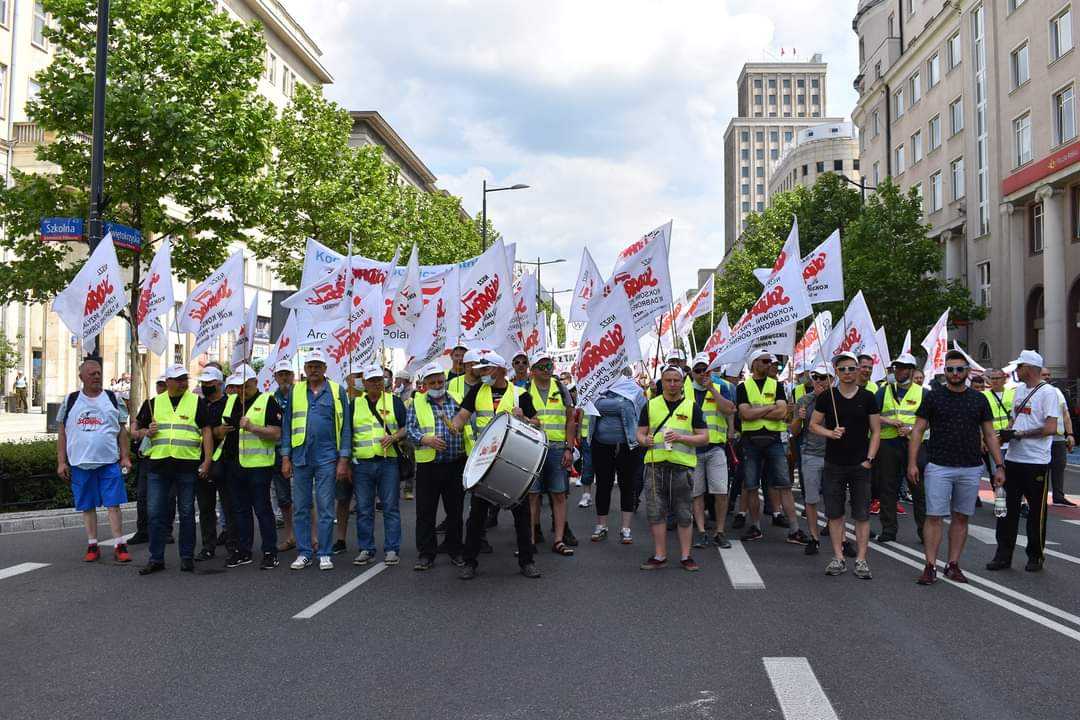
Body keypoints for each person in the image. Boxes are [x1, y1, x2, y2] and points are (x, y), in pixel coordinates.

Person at [906, 350, 1003, 584]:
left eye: (959, 369)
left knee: (961, 517)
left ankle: (953, 564)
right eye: (950, 369)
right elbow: (918, 430)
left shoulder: (979, 399)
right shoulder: (933, 397)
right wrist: (912, 463)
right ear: (945, 372)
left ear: (967, 372)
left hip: (971, 467)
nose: (955, 373)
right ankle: (930, 565)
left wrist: (999, 465)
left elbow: (989, 434)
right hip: (939, 466)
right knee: (934, 516)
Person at [452, 353, 539, 579]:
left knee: (521, 516)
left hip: (513, 462)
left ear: (500, 369)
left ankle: (527, 562)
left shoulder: (520, 395)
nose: (482, 374)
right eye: (481, 370)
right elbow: (462, 416)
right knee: (476, 516)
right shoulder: (476, 392)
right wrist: (455, 425)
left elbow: (537, 423)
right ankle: (470, 562)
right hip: (484, 463)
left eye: (487, 370)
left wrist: (527, 419)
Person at [135, 364, 214, 575]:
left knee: (187, 513)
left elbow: (206, 431)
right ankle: (156, 558)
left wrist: (207, 460)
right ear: (167, 382)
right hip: (159, 466)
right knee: (155, 514)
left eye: (184, 379)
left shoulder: (196, 402)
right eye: (177, 379)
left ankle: (187, 557)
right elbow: (134, 431)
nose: (182, 382)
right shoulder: (153, 403)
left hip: (186, 465)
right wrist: (145, 432)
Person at [809, 351, 881, 579]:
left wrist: (869, 459)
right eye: (843, 369)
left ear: (859, 370)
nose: (848, 373)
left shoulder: (868, 397)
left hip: (860, 464)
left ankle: (861, 560)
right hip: (834, 463)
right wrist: (830, 432)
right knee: (835, 513)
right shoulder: (826, 397)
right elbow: (813, 425)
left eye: (852, 368)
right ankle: (838, 558)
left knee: (861, 514)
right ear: (836, 372)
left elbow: (876, 431)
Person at [280, 349, 353, 571]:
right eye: (310, 366)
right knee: (301, 506)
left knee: (325, 507)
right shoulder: (296, 391)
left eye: (317, 366)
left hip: (327, 457)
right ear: (304, 369)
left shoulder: (337, 391)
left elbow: (346, 428)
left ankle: (324, 552)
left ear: (324, 369)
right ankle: (304, 552)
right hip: (301, 457)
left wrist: (343, 459)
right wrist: (285, 456)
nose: (313, 370)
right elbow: (287, 425)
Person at [988, 351, 1060, 572]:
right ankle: (1003, 555)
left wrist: (1019, 435)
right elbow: (1015, 419)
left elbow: (1050, 428)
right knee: (1004, 509)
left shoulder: (1048, 393)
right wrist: (1005, 433)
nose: (1016, 371)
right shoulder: (1018, 390)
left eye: (1019, 367)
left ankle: (1035, 555)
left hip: (1036, 461)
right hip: (1012, 459)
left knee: (1036, 511)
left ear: (1029, 368)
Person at [56, 358, 133, 563]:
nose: (96, 376)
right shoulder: (70, 400)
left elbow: (122, 431)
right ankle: (92, 545)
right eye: (92, 373)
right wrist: (61, 462)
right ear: (81, 377)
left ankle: (119, 544)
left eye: (98, 372)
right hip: (80, 464)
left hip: (109, 462)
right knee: (87, 506)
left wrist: (125, 457)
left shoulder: (112, 398)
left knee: (113, 504)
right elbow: (62, 433)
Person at [637, 365, 710, 571]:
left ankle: (686, 556)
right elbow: (640, 434)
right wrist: (645, 440)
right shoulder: (650, 406)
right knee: (656, 511)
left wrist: (681, 438)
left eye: (676, 380)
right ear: (662, 382)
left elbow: (705, 437)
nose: (672, 384)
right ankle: (660, 555)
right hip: (655, 464)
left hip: (682, 466)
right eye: (668, 380)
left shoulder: (691, 406)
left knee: (683, 512)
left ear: (681, 382)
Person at [736, 350, 808, 545]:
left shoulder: (776, 384)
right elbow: (745, 414)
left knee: (784, 485)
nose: (770, 364)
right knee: (751, 486)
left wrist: (757, 411)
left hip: (774, 439)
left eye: (771, 361)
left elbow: (782, 412)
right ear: (754, 364)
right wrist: (769, 407)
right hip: (751, 441)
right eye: (765, 361)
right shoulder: (743, 387)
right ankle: (756, 527)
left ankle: (794, 529)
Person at [215, 366, 282, 569]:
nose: (241, 390)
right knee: (240, 510)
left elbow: (277, 433)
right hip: (234, 464)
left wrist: (253, 427)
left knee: (262, 509)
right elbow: (217, 431)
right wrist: (220, 430)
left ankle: (270, 552)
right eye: (237, 387)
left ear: (255, 382)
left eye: (245, 386)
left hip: (259, 465)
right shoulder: (231, 402)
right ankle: (244, 551)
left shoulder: (267, 401)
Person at [407, 363, 466, 570]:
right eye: (432, 382)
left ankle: (456, 550)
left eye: (440, 381)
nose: (437, 385)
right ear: (424, 384)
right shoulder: (417, 403)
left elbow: (469, 424)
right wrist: (426, 439)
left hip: (455, 463)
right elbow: (410, 430)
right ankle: (426, 554)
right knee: (425, 512)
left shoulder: (457, 399)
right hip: (428, 466)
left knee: (455, 511)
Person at [350, 365, 406, 567]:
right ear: (364, 383)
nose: (376, 383)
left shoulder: (394, 401)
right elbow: (348, 433)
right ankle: (366, 549)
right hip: (362, 464)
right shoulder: (355, 404)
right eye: (372, 380)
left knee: (390, 508)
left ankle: (392, 549)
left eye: (379, 380)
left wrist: (394, 437)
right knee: (364, 509)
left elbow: (406, 427)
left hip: (387, 462)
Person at [523, 350, 576, 556]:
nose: (547, 370)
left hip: (556, 448)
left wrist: (569, 448)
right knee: (532, 496)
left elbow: (570, 420)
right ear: (533, 370)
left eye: (549, 366)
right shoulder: (524, 390)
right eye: (542, 366)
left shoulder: (561, 388)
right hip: (532, 447)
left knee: (559, 494)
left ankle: (559, 540)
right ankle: (531, 540)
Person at [587, 368, 646, 543]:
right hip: (601, 444)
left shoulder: (634, 389)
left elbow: (644, 413)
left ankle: (625, 528)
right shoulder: (596, 387)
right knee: (603, 484)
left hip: (627, 445)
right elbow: (590, 409)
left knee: (626, 485)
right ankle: (601, 526)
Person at [688, 353, 736, 549]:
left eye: (705, 370)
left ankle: (719, 531)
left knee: (720, 491)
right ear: (692, 373)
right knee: (697, 493)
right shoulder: (685, 390)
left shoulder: (721, 387)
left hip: (716, 447)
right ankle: (701, 531)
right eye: (698, 371)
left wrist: (712, 390)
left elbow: (729, 409)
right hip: (692, 449)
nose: (702, 374)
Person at [873, 353, 922, 543]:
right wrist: (889, 421)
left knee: (918, 488)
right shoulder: (883, 391)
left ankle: (924, 531)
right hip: (888, 444)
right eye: (897, 367)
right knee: (887, 488)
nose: (899, 371)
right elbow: (871, 415)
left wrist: (911, 430)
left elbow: (930, 420)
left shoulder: (923, 392)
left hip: (914, 444)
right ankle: (888, 530)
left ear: (911, 370)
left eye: (903, 367)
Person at [789, 364, 832, 555]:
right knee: (812, 498)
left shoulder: (838, 400)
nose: (820, 381)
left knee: (834, 497)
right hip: (811, 454)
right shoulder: (804, 400)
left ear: (832, 378)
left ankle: (837, 534)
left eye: (824, 377)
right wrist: (799, 417)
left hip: (834, 455)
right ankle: (814, 537)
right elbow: (794, 430)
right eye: (816, 377)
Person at [195, 365, 233, 562]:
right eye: (203, 383)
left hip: (225, 462)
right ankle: (208, 546)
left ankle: (233, 544)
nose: (205, 386)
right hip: (201, 461)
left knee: (229, 505)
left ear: (219, 383)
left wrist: (217, 431)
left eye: (209, 383)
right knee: (206, 507)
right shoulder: (198, 404)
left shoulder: (229, 403)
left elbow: (229, 430)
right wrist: (216, 431)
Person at [127, 375, 169, 546]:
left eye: (165, 385)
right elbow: (135, 428)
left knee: (166, 497)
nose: (162, 388)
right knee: (143, 495)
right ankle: (143, 530)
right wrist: (142, 432)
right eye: (159, 384)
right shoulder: (149, 404)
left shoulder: (178, 405)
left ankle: (165, 531)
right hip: (148, 457)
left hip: (167, 457)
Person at [1041, 367, 1077, 506]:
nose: (1047, 377)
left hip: (1059, 438)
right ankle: (1038, 496)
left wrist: (1070, 434)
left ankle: (1058, 496)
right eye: (1044, 374)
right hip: (1042, 438)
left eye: (1049, 375)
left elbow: (1065, 414)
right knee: (1041, 468)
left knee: (1059, 467)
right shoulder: (1034, 392)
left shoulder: (1057, 392)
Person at [272, 360, 297, 551]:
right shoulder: (272, 399)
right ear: (275, 378)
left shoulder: (302, 395)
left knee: (304, 498)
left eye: (287, 374)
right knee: (284, 499)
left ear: (293, 375)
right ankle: (290, 537)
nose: (285, 378)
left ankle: (313, 537)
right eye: (281, 375)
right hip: (280, 453)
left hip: (300, 451)